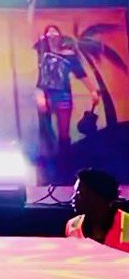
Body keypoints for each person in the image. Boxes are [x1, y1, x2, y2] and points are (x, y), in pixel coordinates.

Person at [35, 25, 100, 156]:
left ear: (60, 36)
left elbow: (81, 74)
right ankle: (48, 160)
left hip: (63, 95)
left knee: (63, 133)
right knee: (45, 130)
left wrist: (93, 90)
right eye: (48, 32)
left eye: (54, 31)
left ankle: (64, 160)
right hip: (46, 95)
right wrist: (40, 94)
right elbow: (41, 78)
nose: (51, 35)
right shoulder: (43, 53)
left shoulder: (69, 55)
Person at [66, 168, 129, 252]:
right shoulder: (72, 225)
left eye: (79, 193)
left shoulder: (127, 224)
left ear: (98, 197)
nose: (73, 198)